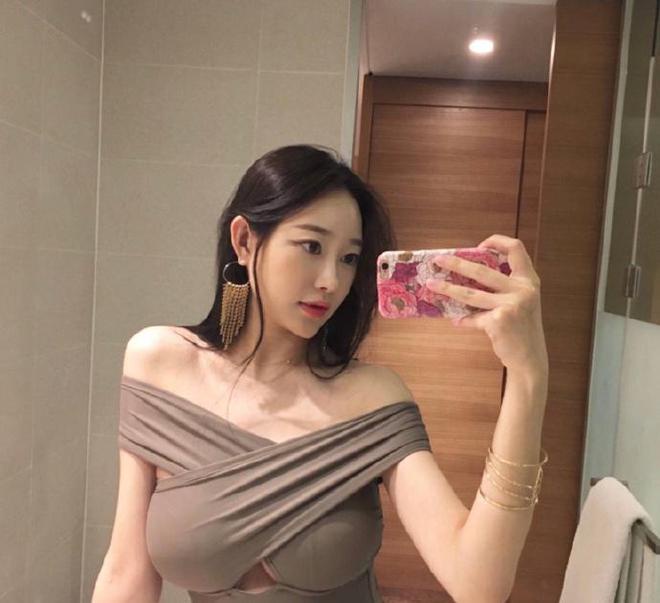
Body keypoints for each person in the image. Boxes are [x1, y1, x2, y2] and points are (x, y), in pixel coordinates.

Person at [92, 144, 549, 603]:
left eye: (348, 258)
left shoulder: (372, 397)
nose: (331, 280)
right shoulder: (159, 364)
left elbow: (478, 583)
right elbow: (127, 572)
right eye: (312, 247)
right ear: (244, 241)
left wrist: (528, 375)